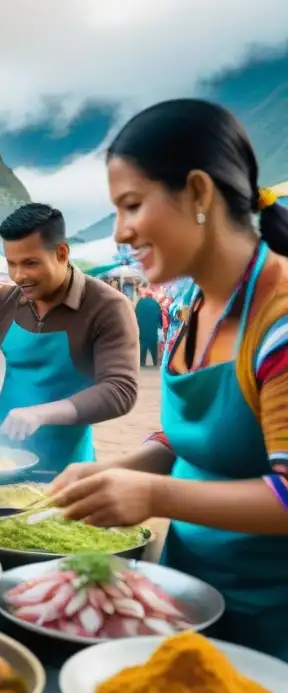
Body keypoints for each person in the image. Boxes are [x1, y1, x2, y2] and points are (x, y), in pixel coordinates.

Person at [49, 99, 288, 660]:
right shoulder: (196, 306)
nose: (120, 231)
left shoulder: (278, 322)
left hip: (273, 621)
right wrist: (107, 471)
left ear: (199, 194)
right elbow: (189, 436)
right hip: (191, 595)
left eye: (131, 205)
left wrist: (153, 494)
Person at [0, 203, 138, 472]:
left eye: (30, 263)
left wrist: (40, 413)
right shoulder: (2, 301)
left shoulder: (107, 307)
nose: (18, 276)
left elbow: (120, 390)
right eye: (11, 264)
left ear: (61, 253)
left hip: (68, 467)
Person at [134, 288, 163, 367]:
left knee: (142, 346)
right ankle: (154, 362)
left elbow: (135, 315)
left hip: (142, 329)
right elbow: (159, 316)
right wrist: (160, 325)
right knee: (153, 346)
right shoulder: (155, 303)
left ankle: (142, 363)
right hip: (153, 330)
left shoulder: (140, 303)